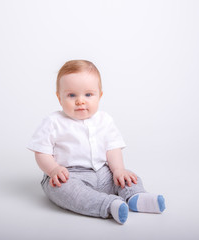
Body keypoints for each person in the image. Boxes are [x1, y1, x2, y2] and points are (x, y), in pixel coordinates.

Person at [27, 60, 165, 224]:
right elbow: (41, 152)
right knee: (65, 190)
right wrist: (54, 169)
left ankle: (136, 196)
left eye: (88, 94)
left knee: (127, 177)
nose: (80, 101)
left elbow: (112, 148)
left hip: (103, 171)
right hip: (69, 175)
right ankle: (108, 205)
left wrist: (119, 170)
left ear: (99, 95)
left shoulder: (105, 120)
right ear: (59, 97)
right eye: (72, 95)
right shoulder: (53, 122)